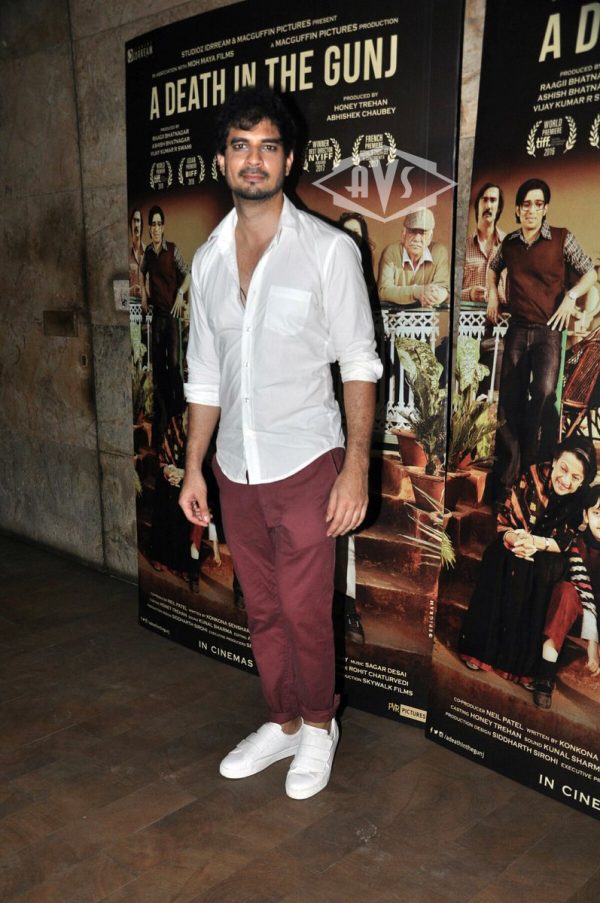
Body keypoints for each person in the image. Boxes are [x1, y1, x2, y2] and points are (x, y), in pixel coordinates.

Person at [179, 88, 382, 800]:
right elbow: (205, 374)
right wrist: (195, 466)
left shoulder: (328, 251)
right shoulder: (207, 261)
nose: (254, 160)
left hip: (306, 464)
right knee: (262, 608)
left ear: (288, 160)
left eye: (268, 146)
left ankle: (320, 725)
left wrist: (356, 466)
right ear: (222, 160)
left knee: (304, 611)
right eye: (240, 146)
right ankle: (284, 720)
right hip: (236, 469)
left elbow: (359, 361)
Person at [487, 179, 597, 497]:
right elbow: (493, 267)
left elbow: (590, 273)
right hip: (518, 328)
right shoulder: (509, 243)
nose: (531, 210)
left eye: (538, 204)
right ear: (518, 209)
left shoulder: (562, 238)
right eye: (526, 204)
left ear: (545, 208)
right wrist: (492, 293)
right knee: (509, 399)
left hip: (549, 330)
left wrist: (571, 296)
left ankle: (538, 466)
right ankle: (508, 477)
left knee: (546, 392)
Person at [458, 435, 597, 686]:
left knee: (542, 570)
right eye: (563, 469)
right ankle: (480, 652)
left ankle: (521, 668)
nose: (566, 480)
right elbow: (506, 519)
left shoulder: (580, 502)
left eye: (576, 477)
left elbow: (564, 541)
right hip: (518, 538)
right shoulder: (531, 476)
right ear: (555, 460)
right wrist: (516, 539)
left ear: (583, 481)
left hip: (549, 552)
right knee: (497, 555)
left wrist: (535, 543)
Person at [534, 484, 600, 709]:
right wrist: (592, 643)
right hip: (575, 610)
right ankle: (545, 675)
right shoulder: (576, 542)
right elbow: (583, 591)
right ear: (586, 515)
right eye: (597, 513)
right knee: (565, 591)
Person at [140, 205, 191, 443]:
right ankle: (162, 422)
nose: (156, 228)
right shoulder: (148, 254)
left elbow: (187, 274)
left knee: (175, 366)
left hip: (172, 317)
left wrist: (180, 294)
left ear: (163, 227)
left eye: (159, 224)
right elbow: (142, 272)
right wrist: (143, 293)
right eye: (153, 224)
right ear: (150, 228)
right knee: (159, 369)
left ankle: (177, 414)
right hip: (157, 319)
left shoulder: (173, 250)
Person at [377, 207, 449, 308]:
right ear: (403, 234)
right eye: (412, 232)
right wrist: (417, 291)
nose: (417, 239)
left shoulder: (439, 252)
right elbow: (383, 291)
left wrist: (434, 295)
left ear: (430, 237)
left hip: (426, 316)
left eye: (423, 233)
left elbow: (445, 289)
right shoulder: (391, 251)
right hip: (395, 315)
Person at [461, 182, 506, 305]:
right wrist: (470, 294)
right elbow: (450, 293)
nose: (488, 206)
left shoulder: (510, 245)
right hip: (469, 315)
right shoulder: (462, 248)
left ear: (499, 208)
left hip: (502, 314)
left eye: (493, 200)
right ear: (477, 205)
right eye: (484, 200)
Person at [128, 208, 145, 299]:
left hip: (147, 306)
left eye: (138, 221)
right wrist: (132, 290)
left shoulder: (149, 254)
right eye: (134, 221)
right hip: (130, 305)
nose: (136, 224)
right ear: (130, 225)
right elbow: (119, 293)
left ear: (141, 225)